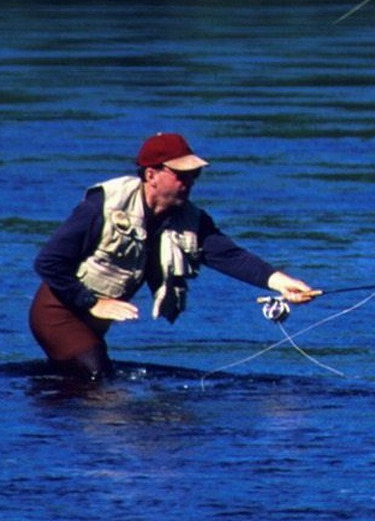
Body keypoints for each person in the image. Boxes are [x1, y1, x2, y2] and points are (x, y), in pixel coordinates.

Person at [30, 132, 320, 379]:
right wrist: (91, 302)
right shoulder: (102, 207)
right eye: (181, 174)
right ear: (151, 174)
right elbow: (48, 262)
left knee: (85, 380)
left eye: (194, 174)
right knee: (98, 381)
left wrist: (282, 283)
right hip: (59, 311)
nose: (190, 181)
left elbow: (230, 256)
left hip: (94, 320)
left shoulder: (190, 219)